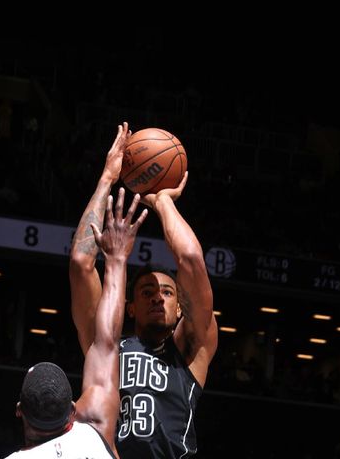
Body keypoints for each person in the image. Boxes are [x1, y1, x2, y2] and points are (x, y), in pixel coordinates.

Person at [70, 122, 218, 458]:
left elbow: (192, 259)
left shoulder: (191, 350)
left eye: (167, 292)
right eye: (147, 292)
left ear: (181, 307)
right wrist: (107, 179)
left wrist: (163, 201)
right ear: (130, 306)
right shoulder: (105, 345)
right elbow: (81, 263)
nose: (157, 297)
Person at [8, 188, 148, 458]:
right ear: (73, 409)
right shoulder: (93, 432)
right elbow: (106, 342)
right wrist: (117, 259)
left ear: (19, 410)